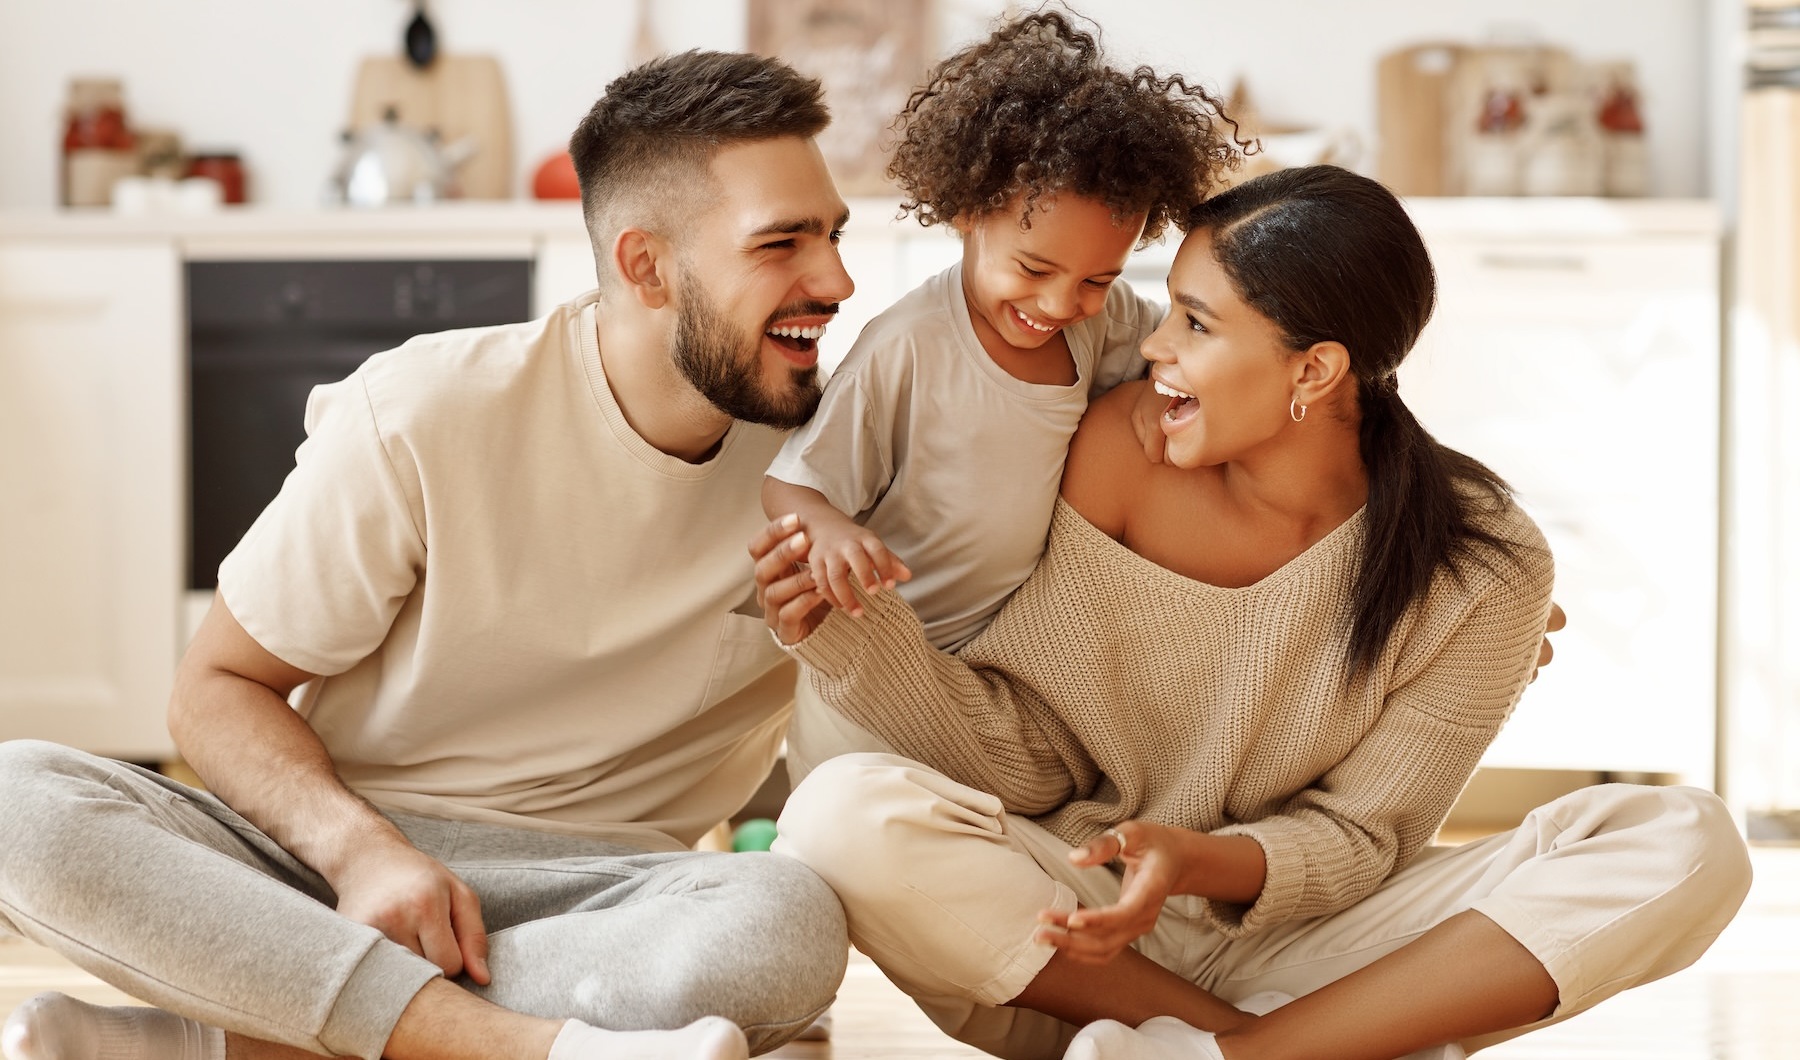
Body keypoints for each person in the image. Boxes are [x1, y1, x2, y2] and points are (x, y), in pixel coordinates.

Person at [751, 165, 1753, 1060]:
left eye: (1194, 322)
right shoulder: (1123, 455)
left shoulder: (1483, 565)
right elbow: (1032, 750)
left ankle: (1231, 1054)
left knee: (1683, 838)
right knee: (839, 817)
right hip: (1086, 948)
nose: (1153, 350)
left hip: (1328, 942)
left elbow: (1369, 841)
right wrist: (852, 633)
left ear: (1313, 371)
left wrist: (1203, 859)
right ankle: (1290, 1048)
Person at [0, 50, 856, 1060]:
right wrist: (363, 854)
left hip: (610, 892)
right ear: (646, 265)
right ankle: (537, 1048)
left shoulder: (843, 459)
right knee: (22, 799)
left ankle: (216, 1038)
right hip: (336, 870)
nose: (835, 279)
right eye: (783, 243)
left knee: (784, 924)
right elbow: (214, 689)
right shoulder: (425, 412)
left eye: (834, 234)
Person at [762, 9, 1235, 779]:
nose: (1058, 304)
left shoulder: (1100, 322)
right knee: (859, 843)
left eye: (1096, 278)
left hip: (991, 681)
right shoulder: (908, 347)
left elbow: (1167, 355)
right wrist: (827, 530)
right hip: (871, 688)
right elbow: (790, 483)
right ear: (967, 212)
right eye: (1034, 269)